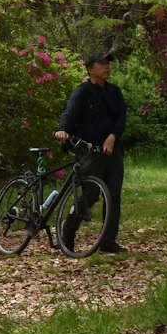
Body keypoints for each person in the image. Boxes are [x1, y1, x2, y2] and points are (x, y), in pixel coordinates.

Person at [55, 52, 128, 254]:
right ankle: (69, 228)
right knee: (91, 194)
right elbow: (69, 114)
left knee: (113, 195)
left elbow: (121, 118)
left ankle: (108, 241)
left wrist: (112, 136)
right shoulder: (82, 92)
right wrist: (62, 130)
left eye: (108, 64)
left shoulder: (115, 92)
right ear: (90, 69)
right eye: (102, 63)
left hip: (112, 151)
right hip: (89, 151)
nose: (107, 67)